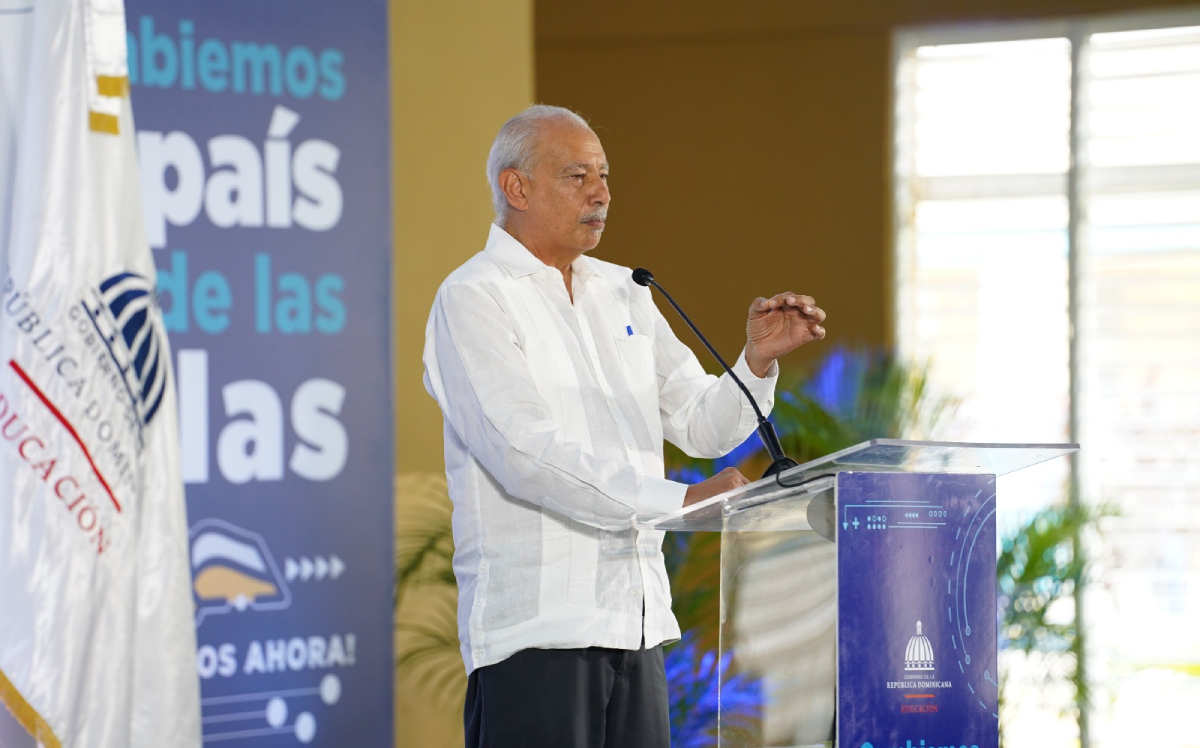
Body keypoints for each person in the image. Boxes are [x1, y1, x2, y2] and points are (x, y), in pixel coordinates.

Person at [422, 105, 826, 748]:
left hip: (635, 625)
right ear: (516, 187)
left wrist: (755, 362)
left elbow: (700, 425)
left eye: (604, 175)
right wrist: (679, 500)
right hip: (536, 633)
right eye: (577, 176)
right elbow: (522, 452)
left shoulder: (626, 291)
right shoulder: (475, 297)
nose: (601, 193)